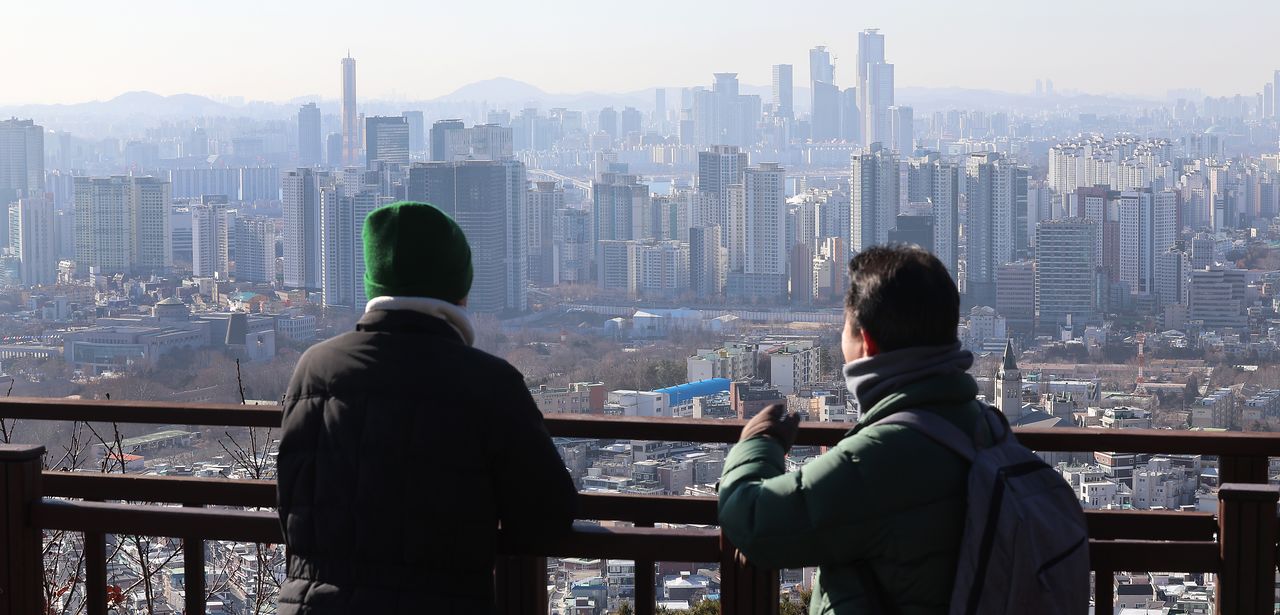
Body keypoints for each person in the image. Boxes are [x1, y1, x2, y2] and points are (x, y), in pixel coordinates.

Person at [276, 201, 577, 614]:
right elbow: (548, 516)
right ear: (460, 288)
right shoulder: (488, 383)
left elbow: (293, 506)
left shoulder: (314, 370)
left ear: (372, 283)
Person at [718, 245, 981, 614]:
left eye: (844, 324)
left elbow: (752, 520)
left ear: (866, 341)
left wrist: (757, 445)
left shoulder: (880, 458)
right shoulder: (985, 427)